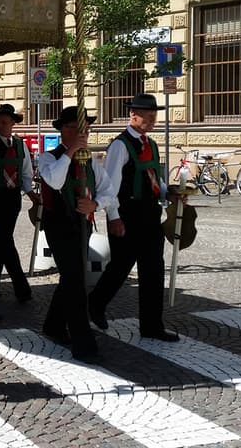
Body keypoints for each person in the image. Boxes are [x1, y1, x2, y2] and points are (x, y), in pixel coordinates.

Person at [88, 93, 179, 342]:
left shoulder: (151, 144)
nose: (152, 120)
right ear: (133, 115)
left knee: (153, 270)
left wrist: (166, 191)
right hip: (126, 214)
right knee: (120, 267)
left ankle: (152, 326)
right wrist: (114, 218)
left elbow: (152, 175)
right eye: (148, 116)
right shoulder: (120, 145)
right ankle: (95, 303)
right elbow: (109, 186)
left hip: (149, 215)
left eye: (154, 116)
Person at [38, 106, 117, 362]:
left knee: (72, 277)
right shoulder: (48, 157)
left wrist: (96, 205)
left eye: (83, 129)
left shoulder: (92, 161)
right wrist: (71, 152)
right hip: (58, 226)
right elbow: (56, 181)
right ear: (62, 130)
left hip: (82, 226)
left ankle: (53, 325)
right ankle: (84, 344)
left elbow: (108, 190)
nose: (80, 133)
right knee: (75, 282)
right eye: (73, 128)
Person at [0, 104, 38, 303]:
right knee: (5, 239)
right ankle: (21, 287)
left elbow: (27, 173)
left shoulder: (20, 146)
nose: (1, 125)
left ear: (12, 123)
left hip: (13, 200)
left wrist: (31, 194)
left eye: (5, 122)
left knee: (3, 240)